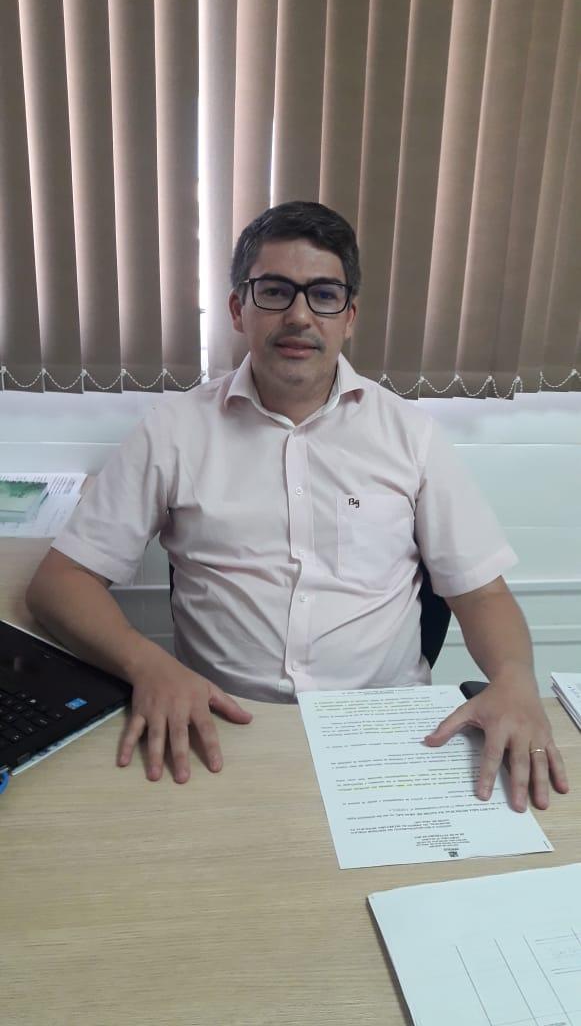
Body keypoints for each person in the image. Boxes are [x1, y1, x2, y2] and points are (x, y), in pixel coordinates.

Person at [26, 201, 568, 812]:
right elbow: (60, 584)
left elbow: (483, 594)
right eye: (275, 291)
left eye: (324, 295)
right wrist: (148, 664)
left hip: (386, 732)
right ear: (239, 308)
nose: (299, 316)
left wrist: (515, 681)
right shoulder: (174, 431)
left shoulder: (409, 435)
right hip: (224, 727)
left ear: (349, 316)